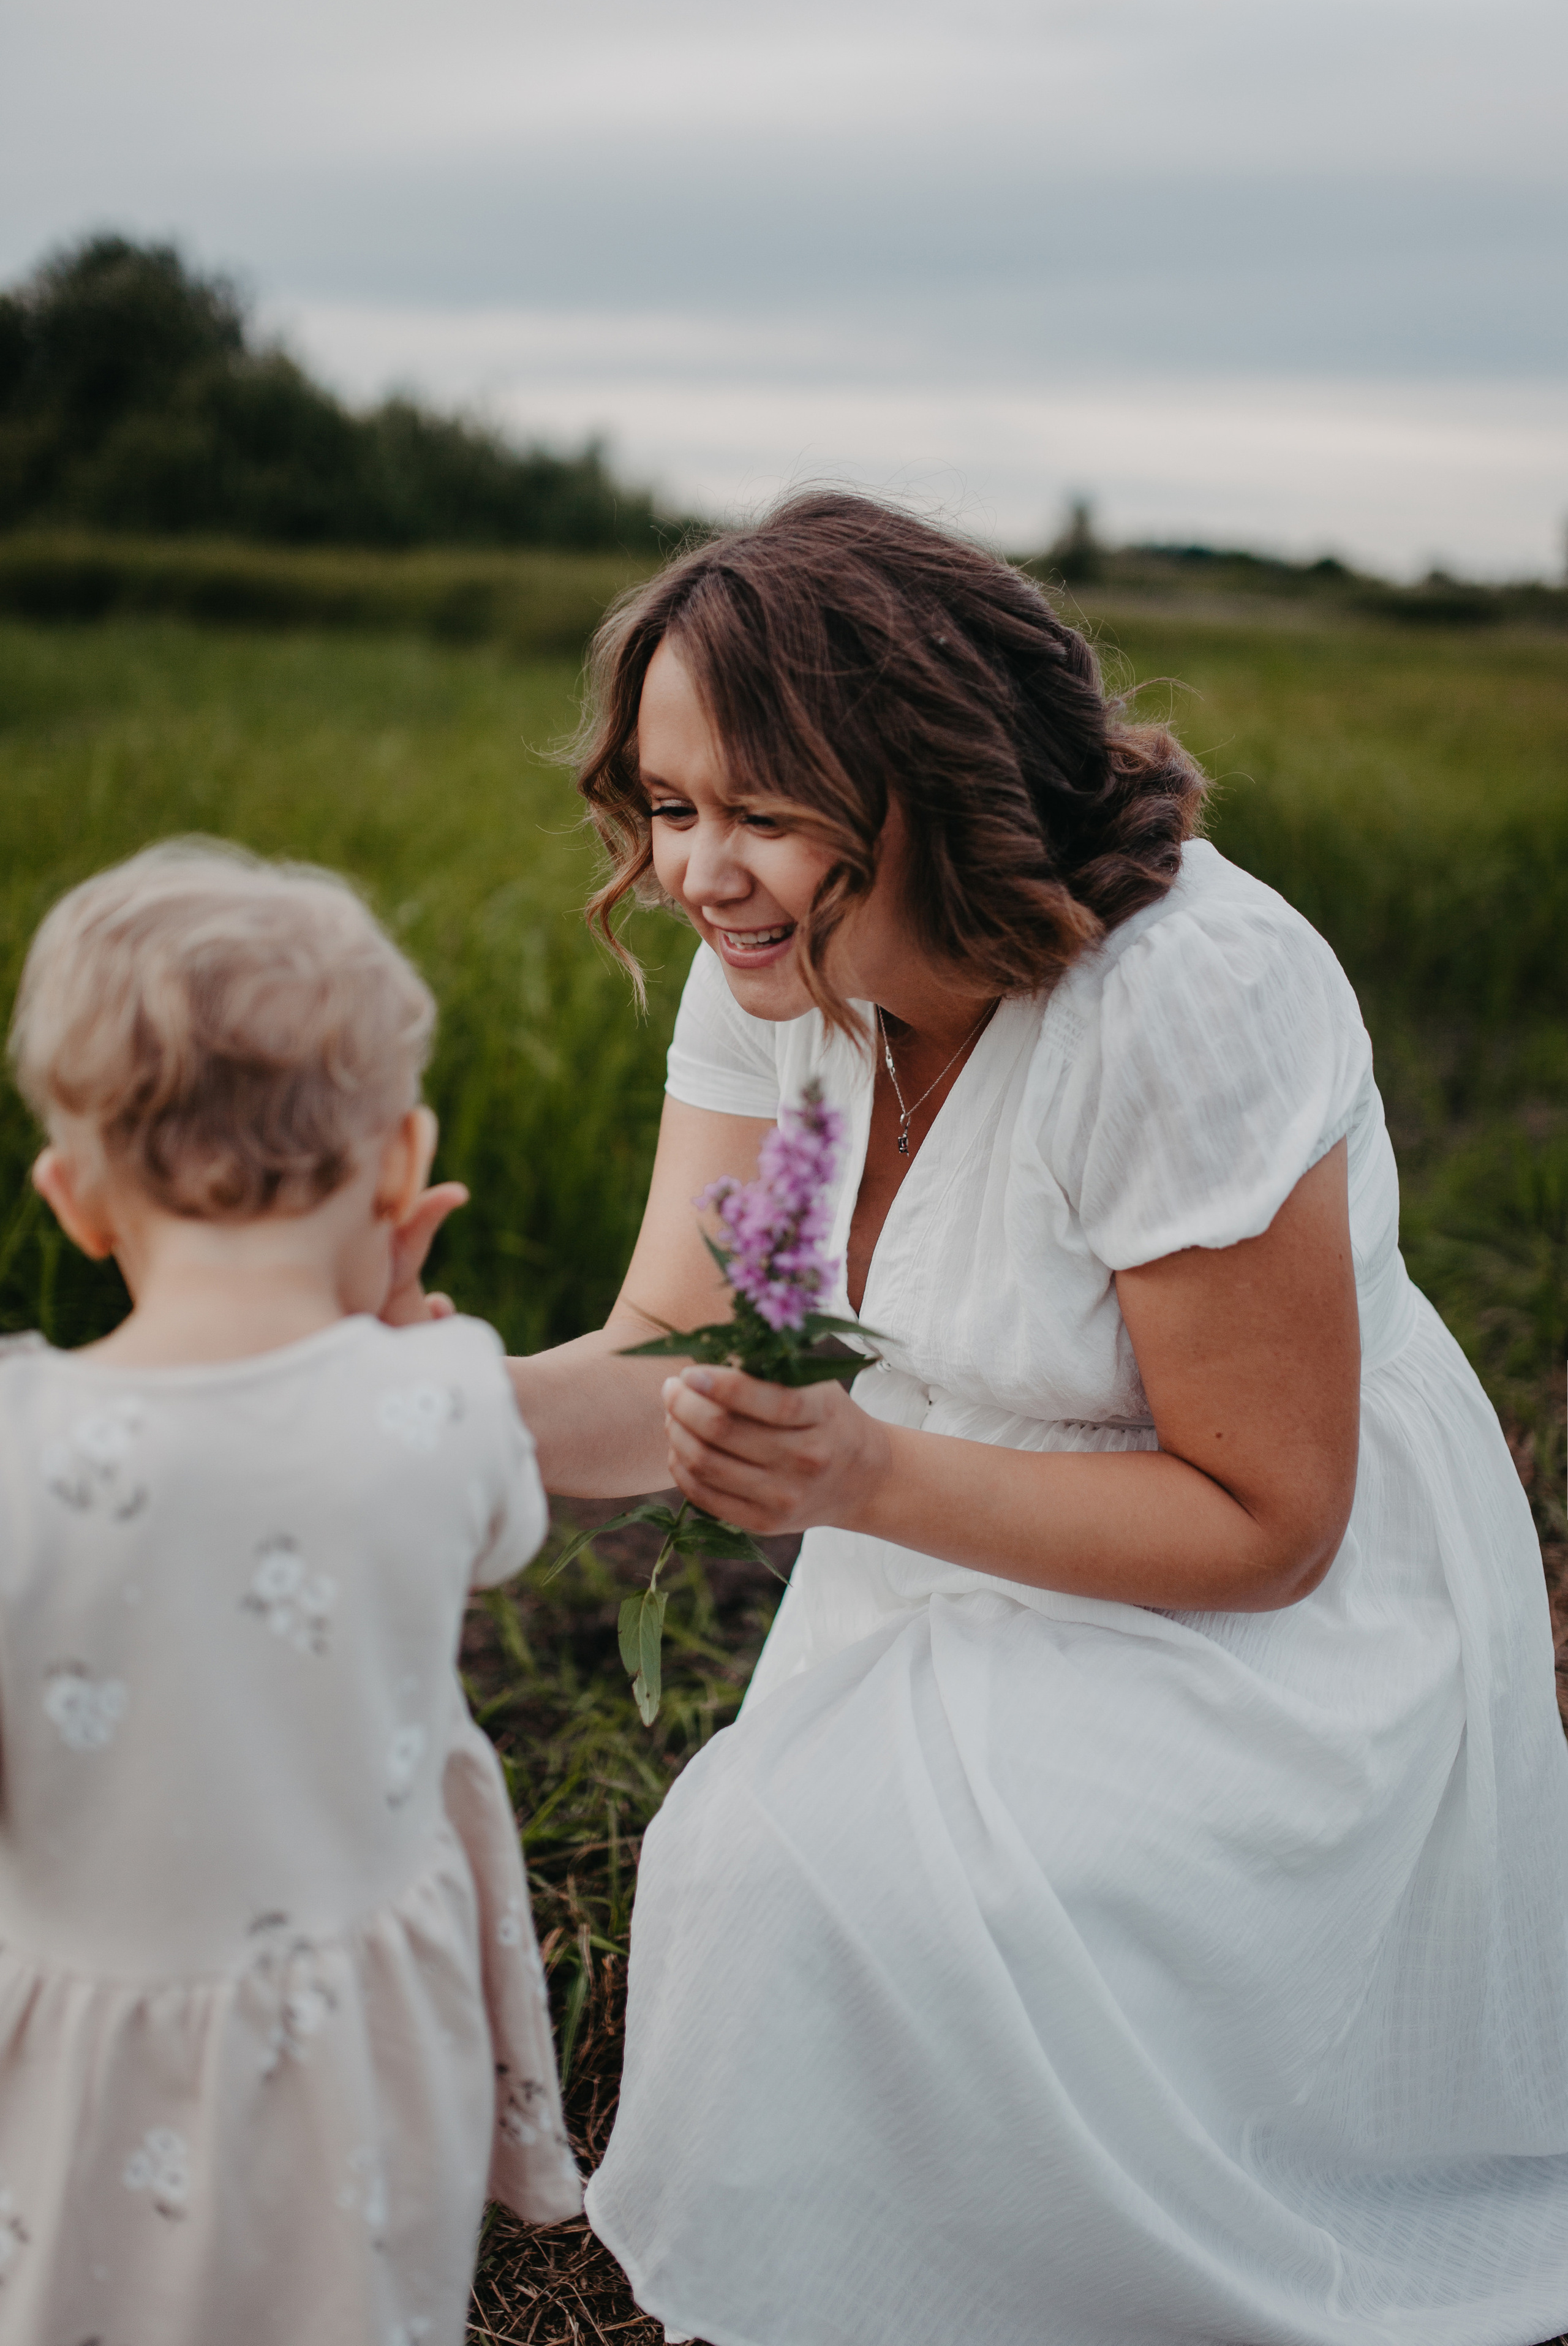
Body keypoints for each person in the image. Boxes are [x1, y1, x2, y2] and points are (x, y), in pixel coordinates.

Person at [480, 491, 1568, 2346]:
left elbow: (1270, 1521)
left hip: (1257, 1614)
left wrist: (864, 1469)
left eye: (761, 811)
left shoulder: (1181, 998)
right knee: (753, 1862)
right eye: (668, 807)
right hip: (933, 1555)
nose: (695, 872)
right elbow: (672, 1347)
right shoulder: (765, 972)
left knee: (903, 1892)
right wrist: (372, 1415)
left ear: (937, 779)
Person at [0, 842, 581, 2346]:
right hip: (356, 2057)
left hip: (77, 2058)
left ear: (73, 1200)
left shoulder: (13, 1451)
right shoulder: (444, 1401)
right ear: (401, 1168)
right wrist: (393, 1331)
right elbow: (503, 1533)